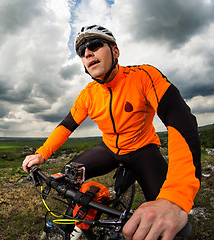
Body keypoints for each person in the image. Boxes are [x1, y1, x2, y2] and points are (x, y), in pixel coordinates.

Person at [22, 25, 201, 240]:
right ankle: (80, 222)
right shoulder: (88, 94)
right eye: (81, 52)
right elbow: (66, 125)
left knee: (172, 226)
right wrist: (42, 154)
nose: (88, 53)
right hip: (109, 148)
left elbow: (180, 119)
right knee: (67, 176)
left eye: (95, 45)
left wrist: (175, 197)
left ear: (115, 51)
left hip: (143, 149)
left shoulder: (143, 76)